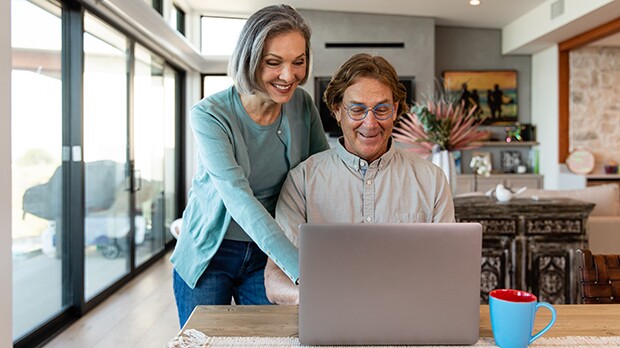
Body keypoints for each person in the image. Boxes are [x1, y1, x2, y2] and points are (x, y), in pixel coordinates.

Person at [169, 4, 330, 326]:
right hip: (210, 254)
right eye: (274, 63)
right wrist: (302, 271)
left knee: (273, 338)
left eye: (298, 62)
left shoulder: (302, 105)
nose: (289, 76)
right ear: (250, 60)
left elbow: (321, 175)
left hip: (268, 255)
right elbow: (238, 198)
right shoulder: (210, 114)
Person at [264, 53, 455, 305]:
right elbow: (275, 276)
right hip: (328, 319)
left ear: (395, 110)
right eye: (357, 109)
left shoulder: (432, 181)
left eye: (382, 109)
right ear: (337, 110)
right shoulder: (302, 182)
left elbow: (449, 267)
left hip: (409, 317)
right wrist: (315, 299)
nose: (370, 122)